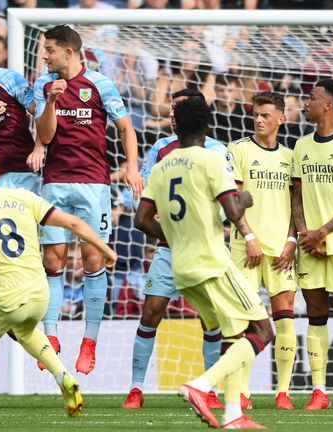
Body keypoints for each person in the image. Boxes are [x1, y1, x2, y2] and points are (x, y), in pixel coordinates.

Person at [0, 146, 117, 424]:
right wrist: (105, 249)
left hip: (7, 296)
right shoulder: (24, 197)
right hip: (40, 293)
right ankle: (63, 376)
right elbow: (74, 223)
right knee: (24, 330)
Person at [135, 97, 272, 429]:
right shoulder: (212, 160)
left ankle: (233, 415)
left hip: (181, 267)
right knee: (263, 331)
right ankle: (201, 385)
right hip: (212, 262)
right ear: (208, 126)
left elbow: (141, 219)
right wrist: (246, 198)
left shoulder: (162, 165)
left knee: (234, 333)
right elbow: (232, 211)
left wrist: (176, 237)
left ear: (176, 126)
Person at [33, 25, 143, 374]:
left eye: (49, 50)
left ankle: (89, 342)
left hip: (93, 184)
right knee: (53, 259)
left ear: (69, 52)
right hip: (54, 182)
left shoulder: (99, 84)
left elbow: (126, 127)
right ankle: (50, 337)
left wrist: (132, 168)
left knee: (94, 259)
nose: (44, 56)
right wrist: (51, 100)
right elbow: (45, 135)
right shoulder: (42, 86)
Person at [122, 89, 225, 409]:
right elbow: (144, 206)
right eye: (170, 109)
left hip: (207, 250)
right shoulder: (160, 149)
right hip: (169, 250)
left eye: (177, 109)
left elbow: (228, 204)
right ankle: (136, 388)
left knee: (212, 320)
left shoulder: (219, 151)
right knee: (151, 311)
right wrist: (174, 235)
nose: (171, 115)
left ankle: (211, 391)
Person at [292, 78, 333, 411]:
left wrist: (324, 232)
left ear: (328, 104)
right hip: (310, 246)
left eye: (311, 98)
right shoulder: (301, 145)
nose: (306, 103)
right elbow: (296, 196)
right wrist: (307, 234)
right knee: (315, 313)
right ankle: (319, 391)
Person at [227, 91, 297, 410]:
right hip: (246, 248)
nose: (258, 120)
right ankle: (241, 392)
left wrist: (291, 241)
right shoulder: (238, 150)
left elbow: (297, 205)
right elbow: (232, 199)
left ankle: (283, 392)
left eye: (266, 115)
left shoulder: (291, 157)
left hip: (281, 250)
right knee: (244, 322)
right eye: (256, 114)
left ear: (281, 118)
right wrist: (249, 235)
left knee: (285, 319)